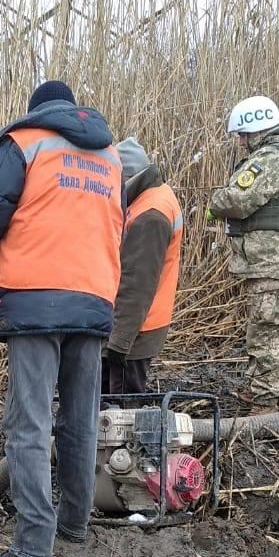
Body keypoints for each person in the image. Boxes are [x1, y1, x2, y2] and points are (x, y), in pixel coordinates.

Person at [0, 79, 122, 557]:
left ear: (37, 110)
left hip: (35, 295)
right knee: (80, 418)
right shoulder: (110, 155)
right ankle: (75, 526)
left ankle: (32, 552)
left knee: (29, 423)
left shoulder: (26, 143)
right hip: (94, 296)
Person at [207, 95, 279, 408]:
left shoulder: (271, 158)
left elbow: (236, 200)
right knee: (271, 330)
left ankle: (263, 402)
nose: (241, 142)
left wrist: (214, 205)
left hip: (272, 263)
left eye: (243, 135)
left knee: (265, 335)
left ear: (256, 130)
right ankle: (258, 387)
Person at [104, 138, 183, 396]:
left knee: (122, 408)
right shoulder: (153, 194)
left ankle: (128, 438)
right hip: (139, 324)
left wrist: (118, 343)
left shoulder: (150, 215)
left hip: (137, 330)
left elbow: (136, 286)